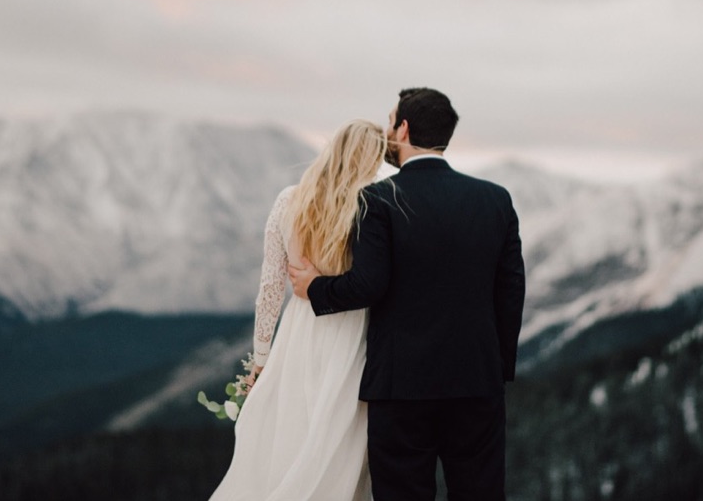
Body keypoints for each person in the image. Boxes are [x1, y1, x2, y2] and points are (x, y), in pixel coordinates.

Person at [289, 87, 526, 501]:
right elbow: (510, 293)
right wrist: (496, 367)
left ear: (403, 129)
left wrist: (315, 288)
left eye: (389, 120)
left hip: (402, 389)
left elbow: (369, 283)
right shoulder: (495, 199)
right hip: (477, 381)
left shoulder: (378, 199)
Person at [208, 119, 387, 501]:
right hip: (352, 334)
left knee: (289, 434)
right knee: (339, 445)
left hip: (300, 330)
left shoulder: (290, 200)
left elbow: (271, 287)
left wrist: (260, 357)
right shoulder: (372, 205)